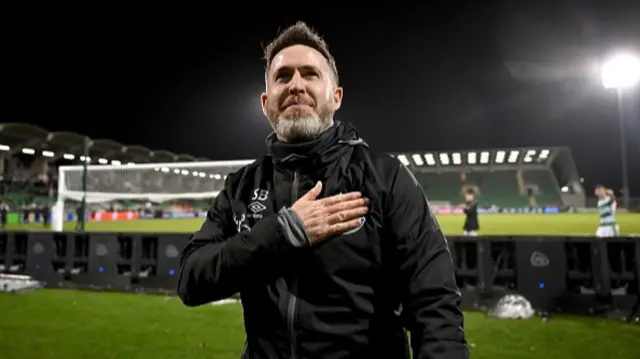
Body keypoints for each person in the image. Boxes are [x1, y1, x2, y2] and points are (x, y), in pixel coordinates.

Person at [178, 21, 468, 359]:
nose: (296, 85)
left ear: (336, 96)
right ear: (265, 101)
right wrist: (281, 234)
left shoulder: (385, 178)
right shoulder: (241, 188)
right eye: (283, 76)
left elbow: (435, 305)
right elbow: (190, 279)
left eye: (310, 74)